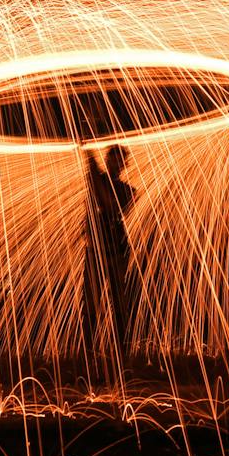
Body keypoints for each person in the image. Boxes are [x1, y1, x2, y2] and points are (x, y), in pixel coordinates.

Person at [81, 143, 138, 359]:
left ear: (125, 165)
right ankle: (89, 354)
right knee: (90, 305)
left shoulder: (129, 191)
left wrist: (90, 159)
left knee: (119, 305)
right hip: (95, 250)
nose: (116, 164)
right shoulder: (96, 179)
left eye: (120, 161)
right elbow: (95, 194)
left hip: (116, 251)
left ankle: (122, 353)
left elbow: (109, 202)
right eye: (112, 159)